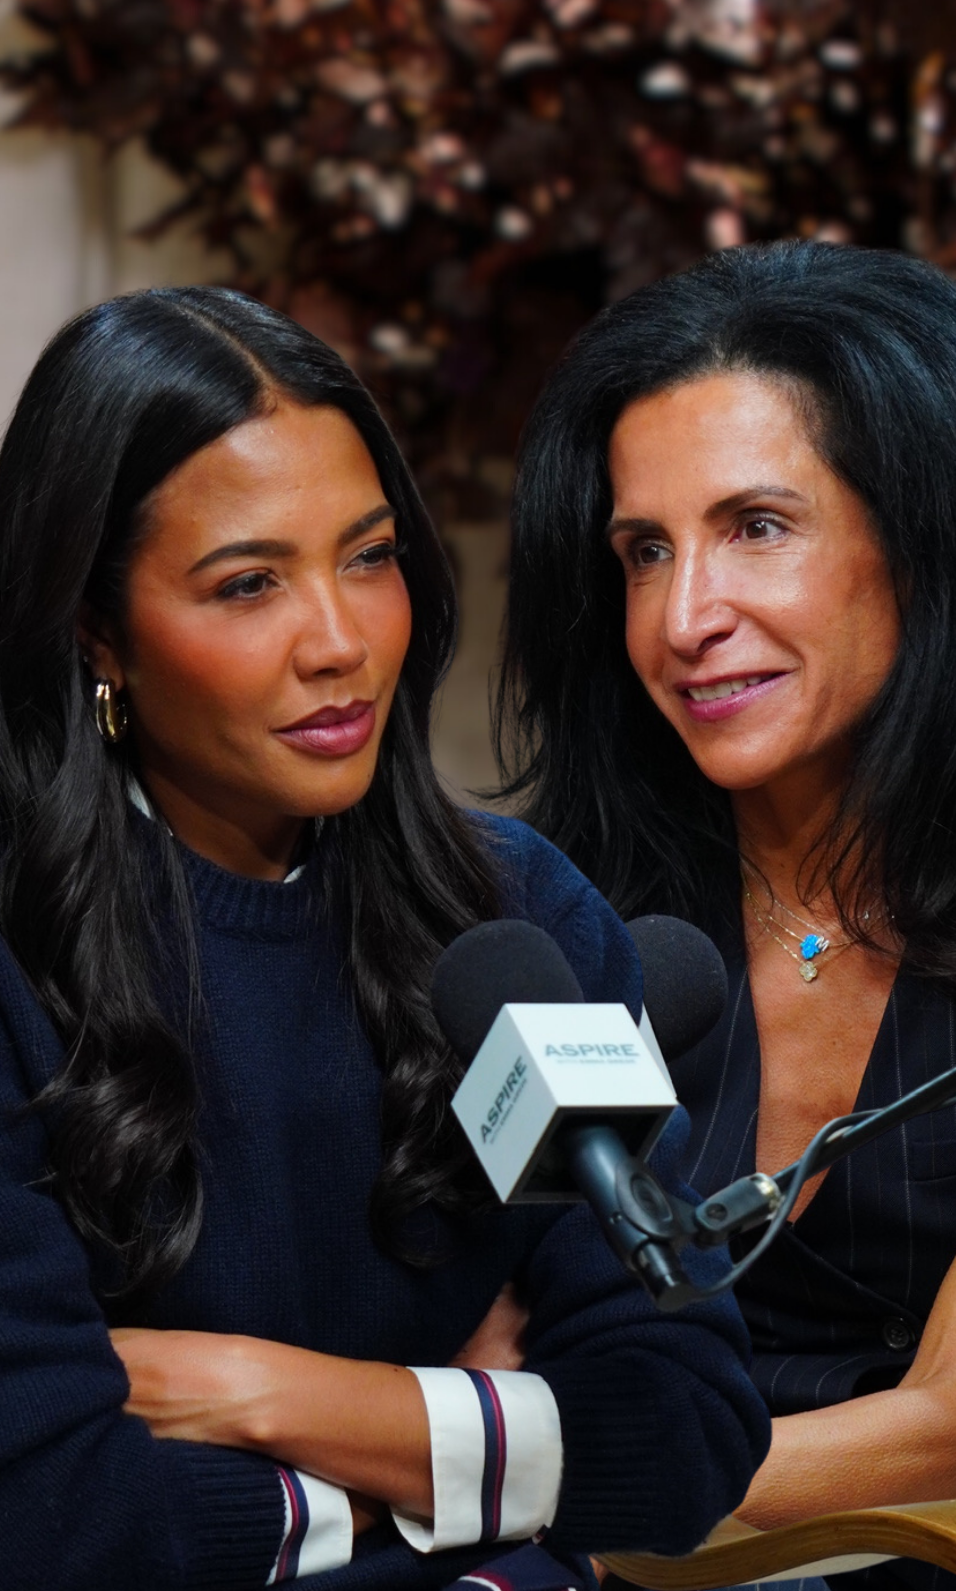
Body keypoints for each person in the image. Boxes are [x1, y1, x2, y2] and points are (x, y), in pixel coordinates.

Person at [0, 285, 770, 1591]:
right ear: (97, 633)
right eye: (249, 584)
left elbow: (685, 1428)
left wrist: (267, 1396)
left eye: (369, 556)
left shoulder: (514, 926)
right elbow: (60, 1518)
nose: (343, 642)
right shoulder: (19, 960)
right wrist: (454, 1457)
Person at [495, 241, 956, 1591]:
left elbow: (952, 1431)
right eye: (645, 550)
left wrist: (470, 1464)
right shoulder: (552, 910)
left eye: (757, 527)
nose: (686, 616)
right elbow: (474, 1328)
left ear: (928, 542)